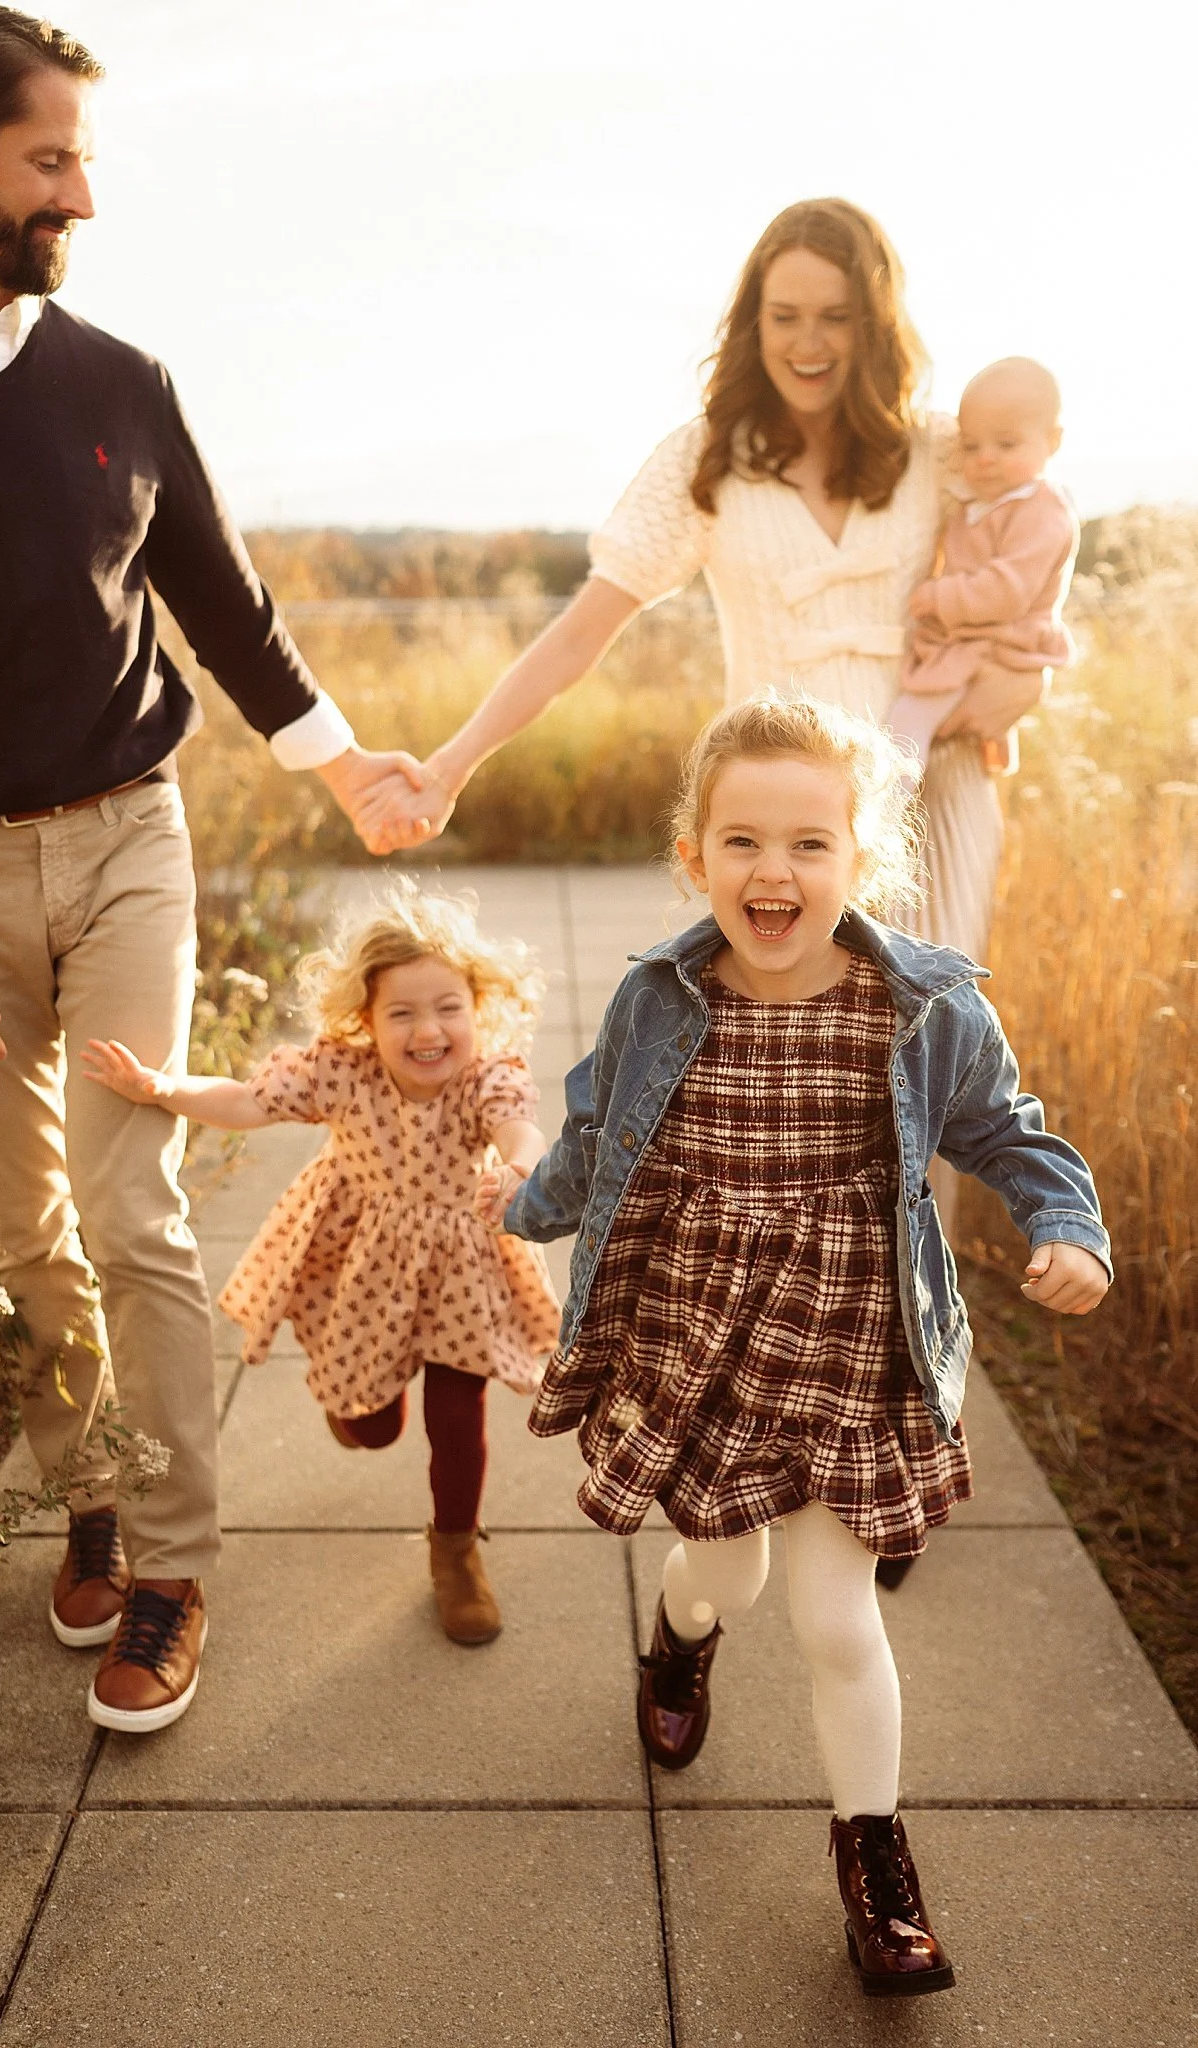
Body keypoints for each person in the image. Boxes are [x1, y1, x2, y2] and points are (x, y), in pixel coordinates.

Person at [0, 5, 425, 1732]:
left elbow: (228, 613)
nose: (81, 194)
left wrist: (342, 765)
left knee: (128, 1199)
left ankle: (168, 1562)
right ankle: (85, 1484)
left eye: (83, 158)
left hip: (124, 843)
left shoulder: (124, 383)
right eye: (51, 159)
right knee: (27, 1233)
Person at [504, 696, 1110, 1997]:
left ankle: (873, 1857)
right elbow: (596, 1134)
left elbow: (1010, 1134)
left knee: (839, 1619)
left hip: (850, 1345)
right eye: (742, 842)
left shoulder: (920, 1010)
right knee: (731, 1572)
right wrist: (516, 1209)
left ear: (862, 857)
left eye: (808, 844)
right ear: (694, 853)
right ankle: (680, 1635)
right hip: (704, 1341)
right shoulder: (658, 1002)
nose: (772, 872)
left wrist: (1069, 1228)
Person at [361, 195, 1050, 970]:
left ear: (876, 323)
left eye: (836, 316)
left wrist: (1021, 684)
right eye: (784, 316)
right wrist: (450, 768)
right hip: (773, 823)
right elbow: (581, 632)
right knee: (776, 1065)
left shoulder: (938, 452)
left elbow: (1038, 553)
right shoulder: (705, 461)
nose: (808, 342)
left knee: (929, 1051)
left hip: (926, 799)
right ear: (752, 323)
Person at [84, 885, 562, 1651]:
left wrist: (520, 1170)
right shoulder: (343, 1072)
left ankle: (455, 1549)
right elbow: (245, 1101)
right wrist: (160, 1088)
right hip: (364, 1261)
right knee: (371, 1426)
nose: (429, 1030)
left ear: (478, 1008)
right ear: (366, 1021)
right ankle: (358, 1409)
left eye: (447, 1007)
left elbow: (519, 1128)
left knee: (457, 1414)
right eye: (401, 1013)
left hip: (459, 1263)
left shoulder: (486, 1077)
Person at [887, 358, 1077, 776]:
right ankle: (985, 750)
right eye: (971, 446)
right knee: (940, 730)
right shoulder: (981, 503)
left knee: (904, 724)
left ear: (1053, 440)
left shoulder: (1041, 510)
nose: (985, 459)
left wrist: (935, 596)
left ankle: (886, 813)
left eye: (1006, 445)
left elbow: (1006, 591)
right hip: (976, 637)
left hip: (1000, 640)